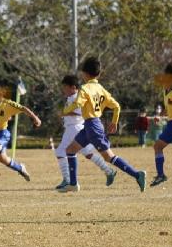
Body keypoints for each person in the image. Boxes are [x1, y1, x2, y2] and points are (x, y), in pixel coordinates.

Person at [61, 56, 146, 193]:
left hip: (93, 127)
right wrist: (114, 122)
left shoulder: (85, 89)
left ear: (84, 73)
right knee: (70, 150)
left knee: (109, 157)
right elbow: (117, 106)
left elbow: (78, 104)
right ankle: (73, 184)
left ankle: (137, 175)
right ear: (98, 74)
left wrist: (65, 110)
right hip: (91, 126)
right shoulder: (101, 89)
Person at [53, 75, 116, 190]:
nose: (63, 89)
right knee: (88, 153)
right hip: (73, 128)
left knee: (61, 152)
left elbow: (79, 112)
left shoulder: (77, 97)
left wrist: (64, 113)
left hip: (75, 128)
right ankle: (108, 170)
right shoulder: (71, 97)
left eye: (65, 87)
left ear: (73, 87)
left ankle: (68, 180)